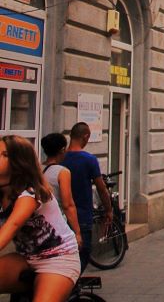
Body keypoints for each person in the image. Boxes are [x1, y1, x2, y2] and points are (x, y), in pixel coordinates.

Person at [0, 136, 81, 301]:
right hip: (26, 258)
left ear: (19, 162)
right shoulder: (2, 192)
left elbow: (12, 225)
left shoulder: (30, 193)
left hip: (58, 259)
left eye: (4, 154)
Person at [61, 122, 113, 271]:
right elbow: (101, 188)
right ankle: (70, 288)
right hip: (82, 215)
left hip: (62, 216)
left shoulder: (61, 158)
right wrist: (108, 210)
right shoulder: (88, 159)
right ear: (85, 137)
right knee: (82, 256)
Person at [40, 133, 82, 248]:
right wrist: (77, 232)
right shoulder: (63, 172)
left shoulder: (38, 168)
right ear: (62, 150)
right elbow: (68, 204)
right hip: (56, 225)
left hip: (39, 225)